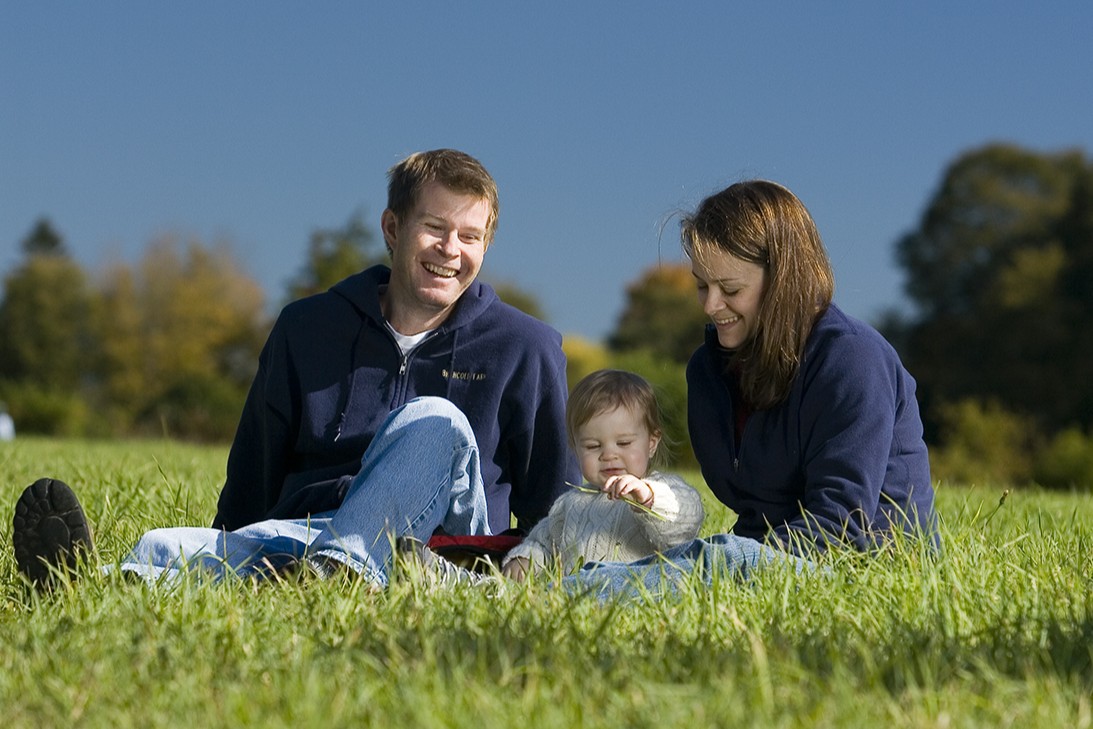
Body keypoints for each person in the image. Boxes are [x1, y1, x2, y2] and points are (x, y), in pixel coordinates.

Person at [13, 148, 578, 588]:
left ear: (486, 247)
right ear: (392, 229)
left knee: (433, 418)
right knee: (165, 546)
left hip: (436, 548)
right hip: (310, 531)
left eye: (470, 236)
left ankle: (342, 572)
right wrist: (235, 536)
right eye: (434, 227)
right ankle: (87, 580)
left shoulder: (524, 347)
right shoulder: (308, 328)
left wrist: (541, 572)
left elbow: (555, 500)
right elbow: (258, 465)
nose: (450, 249)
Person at [562, 180, 936, 599]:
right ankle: (548, 583)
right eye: (702, 286)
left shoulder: (853, 361)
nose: (709, 306)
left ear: (783, 280)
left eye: (731, 289)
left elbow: (841, 529)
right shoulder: (709, 372)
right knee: (702, 557)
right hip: (766, 554)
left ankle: (560, 595)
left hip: (866, 567)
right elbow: (753, 515)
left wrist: (738, 556)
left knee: (719, 558)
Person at [500, 369, 705, 581]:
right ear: (576, 449)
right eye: (593, 446)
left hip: (638, 591)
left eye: (624, 443)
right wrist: (524, 560)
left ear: (651, 444)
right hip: (579, 596)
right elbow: (542, 543)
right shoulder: (570, 504)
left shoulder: (662, 489)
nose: (608, 455)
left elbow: (686, 521)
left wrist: (648, 499)